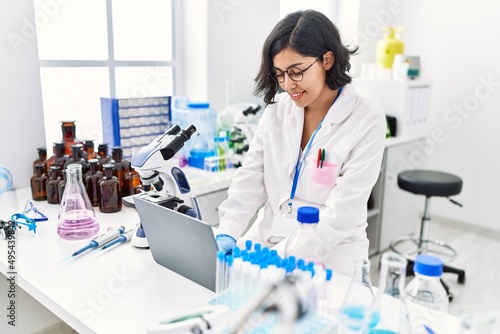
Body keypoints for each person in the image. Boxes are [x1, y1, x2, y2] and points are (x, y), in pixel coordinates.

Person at [215, 9, 386, 277]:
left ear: (327, 60)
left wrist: (282, 255)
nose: (287, 85)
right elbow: (251, 177)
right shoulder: (277, 111)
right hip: (266, 238)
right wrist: (228, 230)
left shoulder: (367, 120)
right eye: (279, 74)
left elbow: (345, 209)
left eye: (296, 72)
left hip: (330, 254)